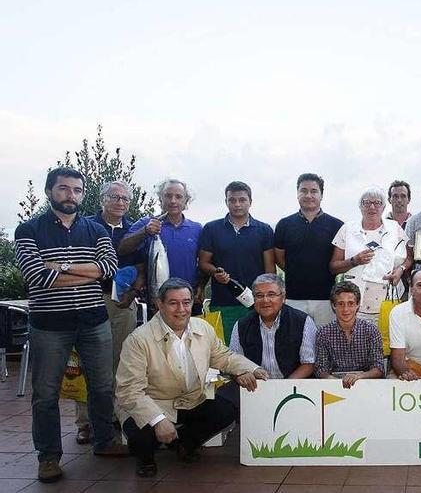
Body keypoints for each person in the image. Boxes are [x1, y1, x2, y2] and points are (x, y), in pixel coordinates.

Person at [14, 168, 127, 482]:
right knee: (46, 394)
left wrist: (60, 266)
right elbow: (36, 276)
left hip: (94, 320)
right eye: (64, 189)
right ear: (50, 191)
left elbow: (108, 269)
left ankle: (105, 441)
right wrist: (84, 270)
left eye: (77, 190)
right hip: (50, 325)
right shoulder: (28, 229)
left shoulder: (94, 230)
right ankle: (48, 458)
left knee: (103, 387)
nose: (71, 196)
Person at [116, 278, 269, 478]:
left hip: (191, 400)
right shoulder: (138, 340)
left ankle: (183, 444)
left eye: (186, 302)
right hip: (154, 402)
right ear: (159, 305)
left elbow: (223, 356)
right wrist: (158, 420)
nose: (181, 309)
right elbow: (129, 391)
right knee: (141, 432)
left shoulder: (203, 328)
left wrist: (251, 369)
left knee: (226, 410)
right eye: (173, 303)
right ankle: (146, 460)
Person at [75, 180, 147, 445]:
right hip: (89, 299)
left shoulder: (134, 229)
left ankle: (115, 416)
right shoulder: (86, 226)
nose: (120, 202)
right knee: (88, 363)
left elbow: (141, 267)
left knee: (120, 362)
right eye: (114, 197)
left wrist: (134, 291)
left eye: (125, 199)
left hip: (122, 303)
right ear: (102, 199)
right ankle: (84, 422)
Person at [219, 274, 317, 408]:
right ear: (253, 298)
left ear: (283, 297)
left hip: (294, 385)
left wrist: (282, 388)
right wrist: (240, 374)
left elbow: (309, 363)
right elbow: (233, 361)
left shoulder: (302, 321)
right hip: (255, 387)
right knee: (221, 399)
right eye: (259, 295)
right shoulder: (241, 325)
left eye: (271, 294)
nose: (265, 300)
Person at [198, 181, 275, 343]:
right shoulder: (212, 229)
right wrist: (215, 273)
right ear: (226, 202)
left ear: (250, 202)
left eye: (242, 200)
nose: (237, 204)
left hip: (256, 304)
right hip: (223, 304)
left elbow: (270, 271)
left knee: (257, 352)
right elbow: (203, 262)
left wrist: (267, 298)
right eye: (232, 200)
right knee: (226, 355)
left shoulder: (264, 230)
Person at [119, 178, 204, 314]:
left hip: (188, 301)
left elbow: (203, 262)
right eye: (168, 196)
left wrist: (202, 285)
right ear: (160, 198)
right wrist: (145, 231)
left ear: (185, 201)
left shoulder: (197, 228)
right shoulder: (146, 222)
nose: (173, 201)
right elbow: (122, 248)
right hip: (158, 300)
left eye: (178, 196)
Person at [330, 187, 409, 322]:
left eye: (377, 203)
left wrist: (400, 270)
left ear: (383, 207)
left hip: (389, 300)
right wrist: (354, 261)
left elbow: (409, 258)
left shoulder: (394, 228)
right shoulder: (347, 229)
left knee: (387, 341)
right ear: (360, 207)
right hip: (354, 305)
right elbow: (333, 267)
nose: (372, 207)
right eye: (367, 203)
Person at [274, 173, 343, 327]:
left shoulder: (337, 225)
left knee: (324, 345)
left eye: (314, 191)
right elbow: (279, 258)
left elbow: (338, 261)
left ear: (321, 195)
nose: (308, 195)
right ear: (297, 193)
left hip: (326, 299)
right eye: (303, 190)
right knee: (295, 344)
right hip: (293, 298)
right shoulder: (284, 225)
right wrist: (297, 270)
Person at [314, 281, 385, 387]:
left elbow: (379, 368)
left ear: (358, 305)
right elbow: (321, 369)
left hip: (366, 384)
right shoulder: (323, 333)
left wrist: (359, 377)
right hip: (332, 385)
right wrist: (336, 383)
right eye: (341, 304)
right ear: (333, 305)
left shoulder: (371, 331)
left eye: (351, 303)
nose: (346, 309)